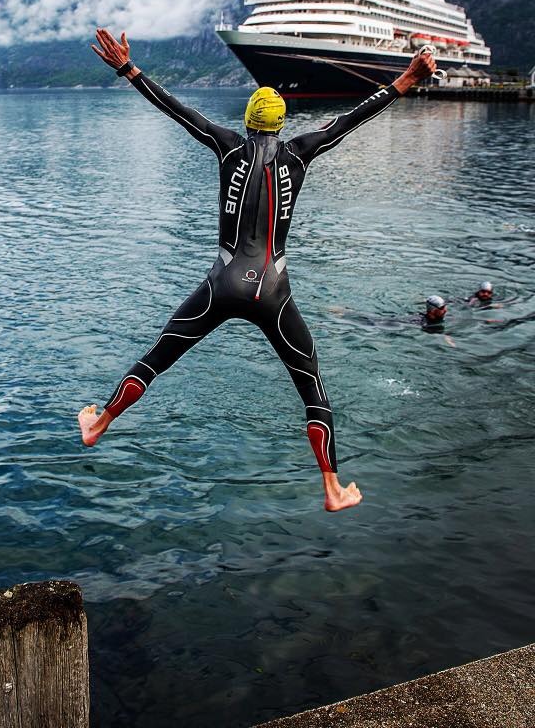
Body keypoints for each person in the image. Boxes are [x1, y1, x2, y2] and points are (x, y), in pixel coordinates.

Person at [78, 28, 436, 511]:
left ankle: (99, 424)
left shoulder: (226, 144)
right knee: (311, 387)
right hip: (273, 291)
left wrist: (128, 68)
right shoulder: (301, 150)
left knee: (156, 358)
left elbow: (178, 111)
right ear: (281, 124)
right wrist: (408, 78)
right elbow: (355, 118)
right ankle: (331, 488)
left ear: (248, 121)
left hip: (221, 284)